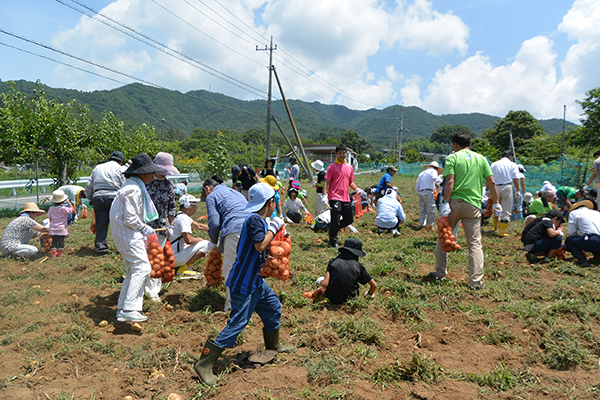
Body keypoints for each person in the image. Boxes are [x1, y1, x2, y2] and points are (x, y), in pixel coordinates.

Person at [194, 183, 293, 386]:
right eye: (274, 201)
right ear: (270, 202)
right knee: (238, 322)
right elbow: (260, 246)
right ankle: (204, 363)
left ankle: (273, 345)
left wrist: (279, 235)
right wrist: (274, 227)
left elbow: (265, 244)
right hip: (243, 283)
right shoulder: (255, 220)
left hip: (255, 280)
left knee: (273, 306)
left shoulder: (259, 220)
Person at [430, 131, 500, 290]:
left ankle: (440, 273)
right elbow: (492, 182)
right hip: (473, 205)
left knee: (444, 237)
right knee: (475, 243)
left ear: (455, 144)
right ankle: (475, 281)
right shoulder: (481, 159)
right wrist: (496, 203)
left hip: (454, 204)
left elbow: (450, 181)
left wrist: (445, 202)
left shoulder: (452, 158)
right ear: (469, 144)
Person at [110, 153, 165, 323]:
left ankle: (122, 308)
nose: (152, 175)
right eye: (150, 172)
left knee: (133, 271)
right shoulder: (133, 189)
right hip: (128, 235)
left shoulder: (132, 186)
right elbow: (131, 219)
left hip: (125, 235)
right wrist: (145, 228)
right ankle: (129, 308)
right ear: (141, 173)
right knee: (142, 268)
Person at [202, 176, 250, 311]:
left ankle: (232, 307)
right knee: (249, 265)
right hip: (252, 227)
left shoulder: (212, 196)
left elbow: (214, 222)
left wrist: (213, 241)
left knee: (231, 268)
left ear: (207, 189)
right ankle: (252, 301)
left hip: (235, 230)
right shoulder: (235, 192)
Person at [144, 152, 179, 301]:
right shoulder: (145, 183)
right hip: (145, 227)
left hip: (162, 227)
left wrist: (171, 225)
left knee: (157, 259)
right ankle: (142, 287)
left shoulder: (168, 184)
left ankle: (153, 291)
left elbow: (171, 206)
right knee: (145, 258)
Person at [85, 151, 126, 256]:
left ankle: (101, 249)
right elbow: (125, 185)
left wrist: (90, 198)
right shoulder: (121, 169)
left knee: (101, 224)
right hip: (114, 197)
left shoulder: (98, 168)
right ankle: (120, 248)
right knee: (118, 223)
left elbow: (89, 185)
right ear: (121, 161)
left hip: (98, 197)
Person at [315, 238, 377, 304]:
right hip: (350, 299)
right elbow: (374, 285)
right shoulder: (358, 266)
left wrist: (320, 281)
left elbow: (324, 284)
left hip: (332, 299)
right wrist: (368, 295)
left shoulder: (333, 262)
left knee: (324, 280)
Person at [323, 144, 362, 248]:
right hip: (334, 197)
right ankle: (333, 240)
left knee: (349, 219)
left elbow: (350, 182)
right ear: (336, 154)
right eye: (339, 153)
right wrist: (324, 195)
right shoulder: (331, 167)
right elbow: (326, 182)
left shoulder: (349, 167)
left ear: (346, 153)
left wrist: (357, 189)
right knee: (335, 218)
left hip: (345, 197)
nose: (342, 155)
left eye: (344, 153)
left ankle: (332, 227)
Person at [170, 195, 209, 275]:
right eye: (194, 204)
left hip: (173, 255)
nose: (196, 207)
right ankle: (184, 268)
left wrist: (217, 229)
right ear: (187, 205)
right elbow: (188, 240)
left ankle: (183, 265)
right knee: (206, 244)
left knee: (202, 243)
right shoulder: (183, 218)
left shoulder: (181, 216)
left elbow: (198, 226)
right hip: (175, 256)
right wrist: (199, 239)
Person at [490, 150, 520, 237]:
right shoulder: (513, 164)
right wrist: (517, 190)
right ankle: (502, 232)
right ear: (510, 157)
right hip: (507, 187)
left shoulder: (494, 164)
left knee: (496, 207)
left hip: (495, 187)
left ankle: (495, 228)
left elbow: (489, 177)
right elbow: (515, 179)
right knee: (506, 209)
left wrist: (488, 189)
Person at [565, 200, 600, 267]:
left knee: (569, 240)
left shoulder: (574, 213)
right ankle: (597, 257)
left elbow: (572, 232)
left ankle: (582, 260)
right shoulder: (596, 213)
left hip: (594, 240)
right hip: (596, 239)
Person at [47, 189, 75, 258]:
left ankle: (53, 253)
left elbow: (50, 217)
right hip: (62, 228)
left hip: (53, 228)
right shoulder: (63, 208)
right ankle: (59, 254)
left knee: (54, 241)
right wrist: (68, 202)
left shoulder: (51, 208)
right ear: (62, 201)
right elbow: (72, 210)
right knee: (61, 241)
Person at [415, 161, 443, 231]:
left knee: (423, 209)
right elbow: (436, 179)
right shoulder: (433, 171)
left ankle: (422, 224)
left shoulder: (422, 173)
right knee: (432, 209)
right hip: (428, 191)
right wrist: (441, 183)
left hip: (421, 192)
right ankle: (429, 225)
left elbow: (417, 184)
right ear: (436, 168)